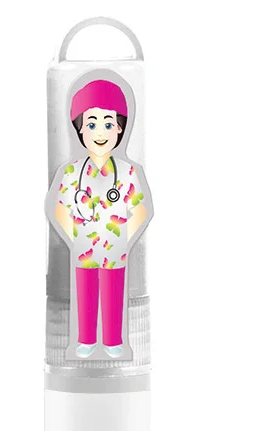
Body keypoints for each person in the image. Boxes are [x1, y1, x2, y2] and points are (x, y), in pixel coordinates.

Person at [52, 79, 148, 358]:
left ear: (120, 128)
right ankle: (85, 339)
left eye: (108, 123)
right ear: (80, 128)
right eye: (91, 124)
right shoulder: (72, 173)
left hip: (116, 250)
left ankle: (113, 341)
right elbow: (60, 209)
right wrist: (75, 239)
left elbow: (140, 210)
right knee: (86, 291)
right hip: (83, 248)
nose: (100, 133)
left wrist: (124, 240)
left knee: (114, 291)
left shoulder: (127, 172)